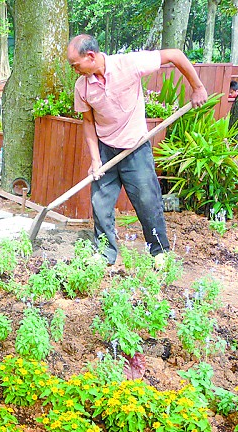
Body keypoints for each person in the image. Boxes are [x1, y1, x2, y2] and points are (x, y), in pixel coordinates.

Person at [66, 34, 208, 265]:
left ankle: (159, 252)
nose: (74, 70)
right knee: (100, 204)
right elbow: (89, 122)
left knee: (147, 200)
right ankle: (105, 254)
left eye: (75, 65)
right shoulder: (82, 86)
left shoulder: (128, 64)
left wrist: (198, 87)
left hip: (136, 148)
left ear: (90, 56)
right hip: (106, 149)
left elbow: (174, 55)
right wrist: (95, 160)